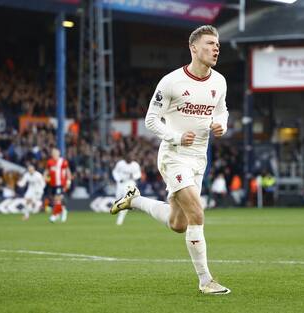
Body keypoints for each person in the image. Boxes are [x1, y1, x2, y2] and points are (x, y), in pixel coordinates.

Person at [110, 25, 230, 294]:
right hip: (174, 156)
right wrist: (175, 137)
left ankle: (134, 200)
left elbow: (222, 110)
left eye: (218, 45)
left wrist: (221, 124)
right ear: (194, 48)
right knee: (197, 213)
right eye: (210, 44)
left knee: (179, 224)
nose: (216, 48)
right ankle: (206, 281)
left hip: (200, 158)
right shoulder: (171, 81)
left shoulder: (219, 81)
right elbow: (150, 120)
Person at [112, 153, 142, 225]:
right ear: (125, 158)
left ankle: (120, 220)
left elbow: (139, 174)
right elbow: (114, 172)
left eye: (131, 157)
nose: (130, 159)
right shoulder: (120, 164)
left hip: (130, 183)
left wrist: (134, 176)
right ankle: (119, 211)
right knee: (117, 199)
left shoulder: (135, 165)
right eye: (129, 157)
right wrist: (118, 179)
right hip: (121, 184)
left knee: (125, 201)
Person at [44, 147, 72, 223]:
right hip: (52, 184)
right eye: (53, 152)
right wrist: (45, 177)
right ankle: (63, 211)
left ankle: (55, 215)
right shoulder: (49, 162)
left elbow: (68, 171)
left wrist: (69, 181)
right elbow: (47, 171)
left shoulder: (63, 161)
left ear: (59, 153)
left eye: (55, 152)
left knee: (57, 199)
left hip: (60, 184)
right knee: (55, 200)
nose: (54, 154)